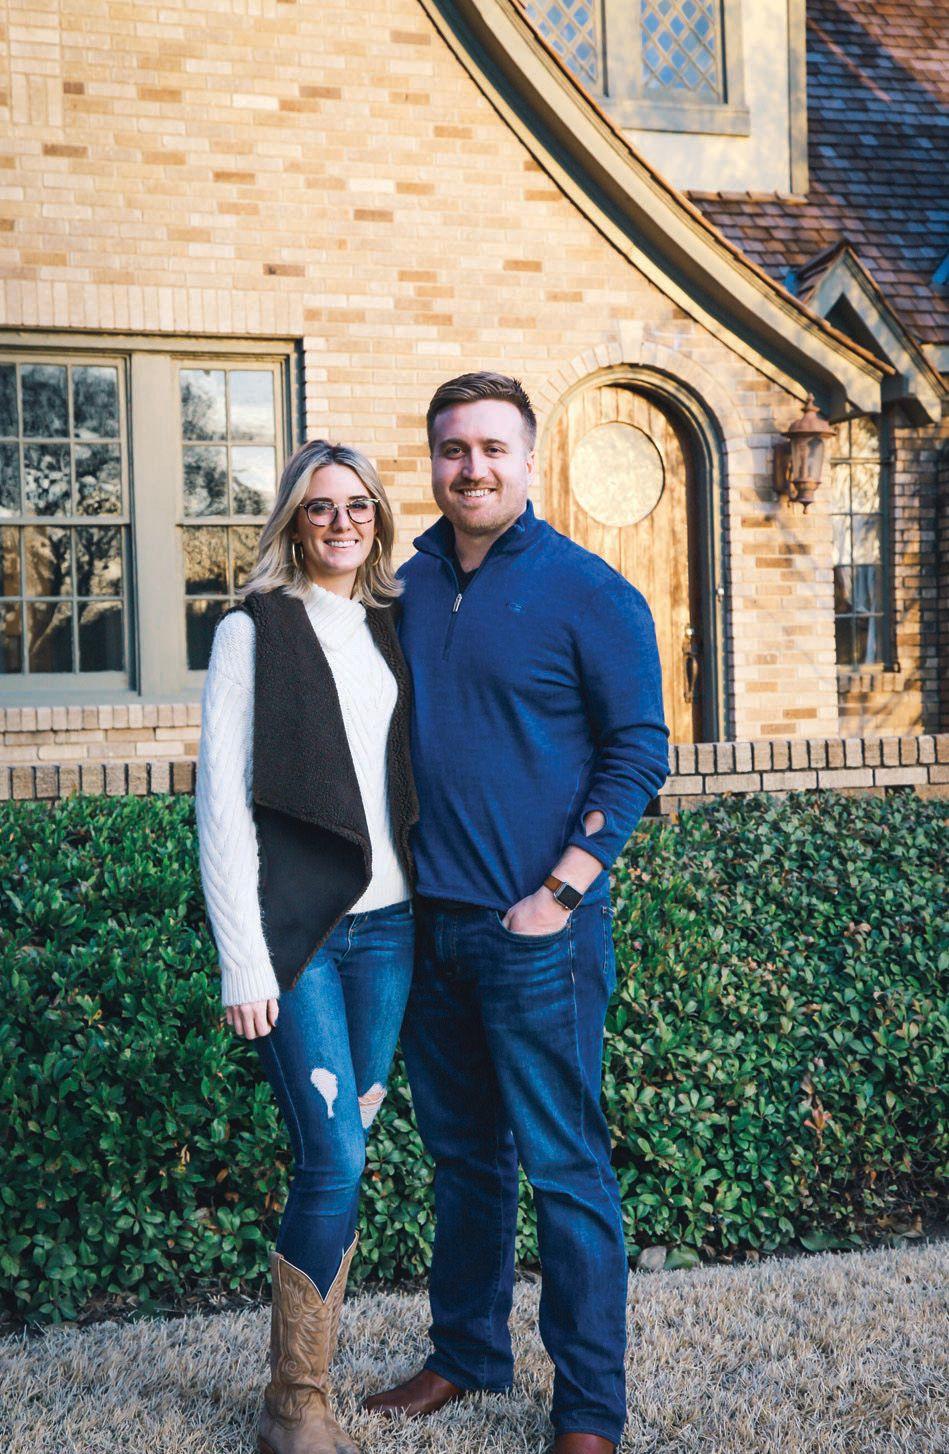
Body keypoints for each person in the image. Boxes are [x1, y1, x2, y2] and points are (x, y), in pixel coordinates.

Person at [363, 373, 669, 1454]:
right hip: (428, 928)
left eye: (493, 448)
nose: (472, 468)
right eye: (453, 449)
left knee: (564, 1168)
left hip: (541, 932)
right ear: (433, 462)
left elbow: (640, 749)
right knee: (464, 1159)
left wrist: (561, 890)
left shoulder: (590, 590)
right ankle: (465, 1352)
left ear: (529, 462)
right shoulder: (401, 588)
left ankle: (587, 1411)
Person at [196, 438, 418, 1454]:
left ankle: (306, 1377)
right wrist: (242, 958)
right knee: (333, 1154)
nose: (341, 523)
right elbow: (220, 803)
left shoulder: (391, 626)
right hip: (303, 937)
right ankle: (296, 1400)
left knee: (348, 1150)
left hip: (393, 931)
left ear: (378, 519)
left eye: (358, 506)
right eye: (321, 506)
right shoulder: (253, 629)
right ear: (291, 519)